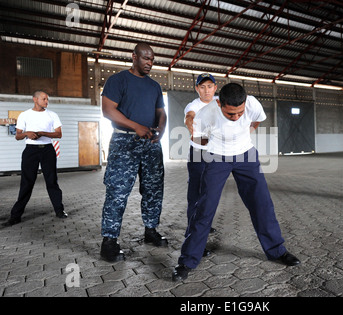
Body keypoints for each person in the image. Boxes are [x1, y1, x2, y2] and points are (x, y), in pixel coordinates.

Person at [172, 83, 300, 281]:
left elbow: (256, 121)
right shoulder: (206, 114)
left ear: (245, 102)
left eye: (239, 113)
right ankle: (187, 261)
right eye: (230, 114)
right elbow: (199, 141)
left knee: (262, 204)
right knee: (204, 208)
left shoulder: (252, 105)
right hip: (216, 158)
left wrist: (242, 136)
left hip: (246, 156)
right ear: (219, 103)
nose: (236, 117)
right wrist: (215, 144)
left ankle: (276, 251)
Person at [100, 43, 167, 262]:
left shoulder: (155, 86)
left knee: (153, 189)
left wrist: (161, 130)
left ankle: (150, 230)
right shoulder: (117, 80)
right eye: (146, 58)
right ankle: (109, 241)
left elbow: (161, 113)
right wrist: (136, 126)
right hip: (123, 142)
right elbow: (108, 110)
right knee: (118, 191)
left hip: (150, 143)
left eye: (152, 59)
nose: (149, 62)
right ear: (134, 57)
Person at [3, 91, 66, 227]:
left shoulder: (52, 115)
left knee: (52, 181)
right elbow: (18, 136)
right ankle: (15, 216)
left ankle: (59, 210)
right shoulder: (24, 115)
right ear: (35, 99)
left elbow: (58, 134)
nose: (46, 102)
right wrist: (27, 133)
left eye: (47, 99)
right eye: (44, 99)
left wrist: (42, 133)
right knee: (27, 183)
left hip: (48, 150)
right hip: (30, 151)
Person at [184, 73, 219, 256]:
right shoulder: (194, 105)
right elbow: (189, 117)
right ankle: (192, 233)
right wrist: (190, 125)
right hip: (198, 153)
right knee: (196, 193)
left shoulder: (220, 102)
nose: (207, 91)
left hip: (217, 152)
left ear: (215, 87)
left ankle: (203, 225)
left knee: (209, 192)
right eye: (202, 87)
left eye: (210, 86)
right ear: (197, 89)